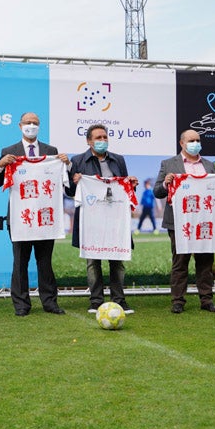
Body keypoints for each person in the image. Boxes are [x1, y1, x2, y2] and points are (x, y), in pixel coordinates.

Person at [0, 112, 70, 316]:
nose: (31, 126)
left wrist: (65, 164)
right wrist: (1, 165)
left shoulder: (51, 151)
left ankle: (50, 302)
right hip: (20, 218)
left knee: (45, 262)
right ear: (20, 126)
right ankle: (21, 304)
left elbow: (65, 185)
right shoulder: (9, 151)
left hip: (45, 218)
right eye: (28, 123)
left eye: (35, 123)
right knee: (20, 262)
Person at [153, 129, 215, 314]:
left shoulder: (210, 166)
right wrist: (166, 183)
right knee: (180, 262)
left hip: (204, 221)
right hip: (180, 222)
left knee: (205, 263)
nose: (195, 143)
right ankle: (178, 301)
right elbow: (157, 191)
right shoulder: (169, 164)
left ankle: (207, 300)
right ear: (182, 143)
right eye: (191, 140)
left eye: (197, 140)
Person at [66, 124, 138, 314]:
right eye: (98, 138)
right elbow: (70, 192)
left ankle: (119, 300)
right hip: (91, 220)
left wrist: (132, 184)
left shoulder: (118, 160)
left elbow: (124, 189)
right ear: (89, 141)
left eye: (105, 137)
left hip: (115, 219)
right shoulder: (78, 160)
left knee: (117, 260)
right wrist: (75, 182)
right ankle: (96, 300)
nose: (102, 141)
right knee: (93, 261)